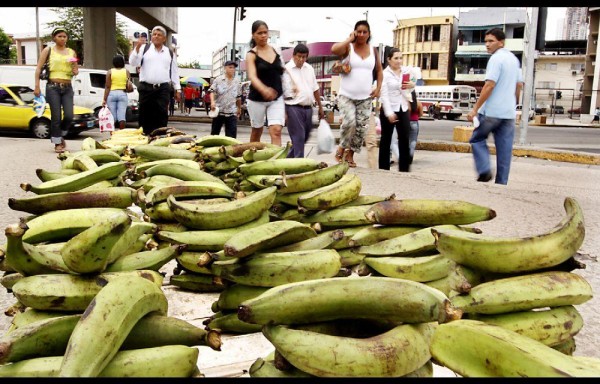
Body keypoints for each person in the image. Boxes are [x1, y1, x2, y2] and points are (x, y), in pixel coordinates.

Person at [467, 27, 524, 185]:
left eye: (491, 41)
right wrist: (514, 103)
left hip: (492, 111)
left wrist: (475, 109)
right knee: (505, 150)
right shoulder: (514, 60)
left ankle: (484, 170)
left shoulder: (496, 59)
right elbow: (519, 85)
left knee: (477, 139)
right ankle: (501, 184)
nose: (487, 44)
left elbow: (489, 85)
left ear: (501, 42)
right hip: (508, 113)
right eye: (486, 41)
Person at [331, 20, 383, 167]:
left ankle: (350, 155)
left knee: (361, 128)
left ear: (369, 34)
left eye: (364, 32)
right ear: (354, 32)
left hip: (365, 97)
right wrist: (349, 39)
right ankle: (341, 147)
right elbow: (334, 50)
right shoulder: (349, 48)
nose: (361, 34)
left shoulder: (373, 50)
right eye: (358, 31)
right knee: (349, 122)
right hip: (346, 95)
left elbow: (379, 70)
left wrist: (378, 88)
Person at [128, 25, 181, 136]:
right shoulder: (144, 49)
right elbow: (133, 63)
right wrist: (136, 48)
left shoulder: (170, 53)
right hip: (146, 88)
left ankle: (160, 138)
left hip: (162, 89)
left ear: (164, 38)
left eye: (159, 35)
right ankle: (144, 139)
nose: (156, 36)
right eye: (154, 34)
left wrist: (178, 89)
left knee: (161, 115)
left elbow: (174, 71)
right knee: (144, 115)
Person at [34, 26, 78, 153]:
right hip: (53, 87)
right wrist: (37, 86)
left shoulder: (71, 52)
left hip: (67, 87)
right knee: (56, 117)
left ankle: (61, 134)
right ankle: (57, 142)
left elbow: (75, 68)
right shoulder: (48, 50)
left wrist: (75, 70)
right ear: (54, 37)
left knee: (69, 115)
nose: (63, 38)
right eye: (60, 36)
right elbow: (38, 68)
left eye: (65, 36)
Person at [245, 20, 286, 146]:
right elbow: (252, 76)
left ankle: (275, 163)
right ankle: (252, 160)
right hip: (257, 99)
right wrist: (264, 89)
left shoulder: (276, 50)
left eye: (265, 32)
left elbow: (284, 70)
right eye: (259, 33)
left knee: (276, 130)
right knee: (257, 131)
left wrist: (294, 84)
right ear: (253, 35)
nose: (263, 35)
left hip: (276, 97)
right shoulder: (251, 54)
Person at [283, 43, 324, 158]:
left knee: (304, 137)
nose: (301, 59)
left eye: (304, 57)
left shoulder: (309, 68)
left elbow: (315, 88)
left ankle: (287, 161)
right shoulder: (286, 70)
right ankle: (298, 166)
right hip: (293, 107)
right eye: (299, 56)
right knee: (299, 137)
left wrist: (320, 107)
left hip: (308, 108)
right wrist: (283, 112)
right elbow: (280, 92)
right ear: (293, 55)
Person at [378, 47, 412, 172]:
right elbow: (384, 95)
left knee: (404, 139)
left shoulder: (406, 72)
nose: (399, 61)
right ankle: (383, 168)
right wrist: (389, 113)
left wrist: (411, 86)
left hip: (402, 108)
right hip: (389, 109)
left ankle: (404, 169)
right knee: (386, 139)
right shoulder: (385, 74)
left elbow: (407, 92)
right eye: (396, 58)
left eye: (400, 58)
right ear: (389, 59)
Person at [208, 60, 242, 138]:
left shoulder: (237, 82)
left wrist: (239, 108)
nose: (232, 69)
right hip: (219, 111)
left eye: (233, 68)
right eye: (230, 67)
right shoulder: (218, 80)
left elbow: (238, 97)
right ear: (225, 68)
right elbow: (212, 91)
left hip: (231, 112)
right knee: (214, 134)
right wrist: (212, 102)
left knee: (231, 136)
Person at [102, 55, 130, 130]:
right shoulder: (126, 72)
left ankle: (113, 134)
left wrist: (104, 99)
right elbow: (128, 84)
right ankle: (121, 134)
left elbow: (107, 86)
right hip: (122, 93)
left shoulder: (110, 72)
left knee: (112, 116)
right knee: (122, 116)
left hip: (112, 94)